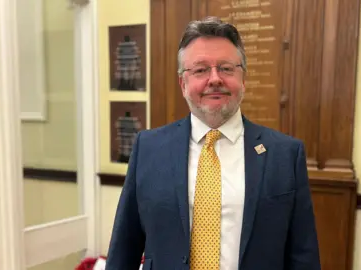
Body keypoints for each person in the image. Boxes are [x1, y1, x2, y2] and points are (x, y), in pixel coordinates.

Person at [105, 16, 321, 270]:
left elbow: (303, 255)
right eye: (200, 69)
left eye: (226, 68)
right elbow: (124, 249)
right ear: (183, 83)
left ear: (243, 79)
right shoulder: (148, 149)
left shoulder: (285, 154)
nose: (215, 78)